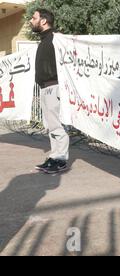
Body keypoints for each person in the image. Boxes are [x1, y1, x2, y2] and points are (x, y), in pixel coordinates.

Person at [30, 9, 70, 175]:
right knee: (51, 126)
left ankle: (60, 160)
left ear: (44, 21)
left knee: (58, 126)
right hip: (46, 88)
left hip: (54, 87)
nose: (31, 21)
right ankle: (54, 157)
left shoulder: (56, 38)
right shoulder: (45, 40)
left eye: (34, 18)